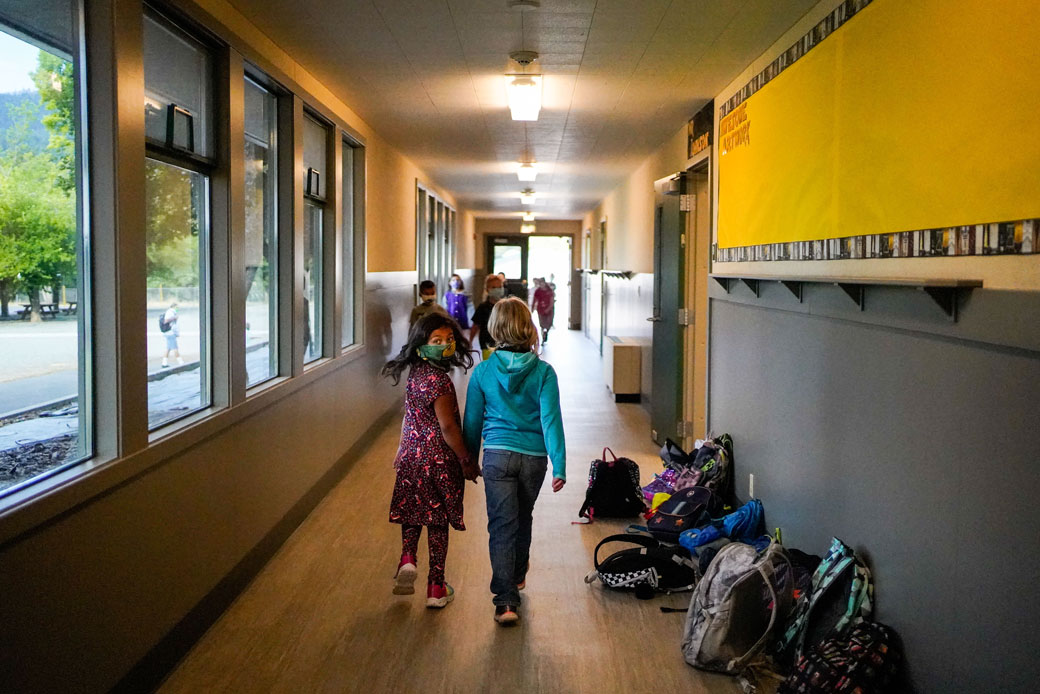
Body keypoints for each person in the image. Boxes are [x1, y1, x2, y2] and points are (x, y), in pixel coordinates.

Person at [462, 297, 566, 624]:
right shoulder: (544, 372)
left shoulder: (483, 373)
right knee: (523, 516)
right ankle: (518, 573)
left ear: (495, 328)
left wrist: (468, 461)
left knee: (502, 524)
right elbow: (551, 421)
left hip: (496, 456)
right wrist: (559, 465)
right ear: (528, 327)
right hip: (534, 460)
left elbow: (472, 423)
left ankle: (506, 601)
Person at [381, 312, 479, 608]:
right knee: (437, 522)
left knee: (412, 512)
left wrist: (402, 447)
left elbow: (409, 415)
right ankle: (436, 587)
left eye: (449, 340)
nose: (446, 345)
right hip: (439, 460)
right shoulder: (440, 383)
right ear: (421, 344)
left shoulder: (416, 374)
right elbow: (448, 427)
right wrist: (466, 459)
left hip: (412, 456)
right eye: (437, 341)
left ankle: (407, 557)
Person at [469, 274, 505, 360]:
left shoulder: (505, 306)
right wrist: (470, 341)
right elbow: (475, 325)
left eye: (499, 287)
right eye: (493, 287)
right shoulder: (483, 307)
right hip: (487, 344)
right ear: (487, 290)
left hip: (503, 344)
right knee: (489, 365)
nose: (497, 290)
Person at [531, 277, 555, 344]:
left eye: (542, 283)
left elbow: (552, 301)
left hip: (549, 310)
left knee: (549, 323)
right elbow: (534, 300)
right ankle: (543, 336)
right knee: (542, 323)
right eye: (540, 283)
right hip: (540, 309)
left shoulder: (549, 291)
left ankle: (546, 332)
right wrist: (532, 309)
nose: (541, 285)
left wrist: (548, 308)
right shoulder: (537, 291)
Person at [160, 302, 183, 368]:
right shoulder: (170, 312)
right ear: (174, 307)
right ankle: (181, 362)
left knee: (168, 348)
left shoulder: (172, 312)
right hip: (170, 333)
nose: (178, 309)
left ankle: (164, 363)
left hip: (169, 333)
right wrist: (174, 318)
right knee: (175, 348)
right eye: (177, 307)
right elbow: (166, 320)